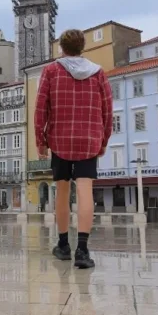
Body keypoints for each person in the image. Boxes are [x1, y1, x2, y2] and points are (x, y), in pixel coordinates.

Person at [34, 29, 113, 269]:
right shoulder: (98, 73)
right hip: (89, 140)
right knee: (85, 191)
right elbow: (108, 110)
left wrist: (41, 141)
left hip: (60, 139)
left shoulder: (51, 71)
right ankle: (83, 249)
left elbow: (40, 108)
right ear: (82, 47)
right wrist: (103, 141)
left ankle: (63, 245)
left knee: (62, 191)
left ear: (62, 47)